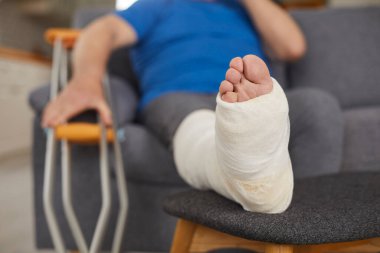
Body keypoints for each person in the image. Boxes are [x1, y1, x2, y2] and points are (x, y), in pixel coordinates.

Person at [42, 0, 344, 212]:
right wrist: (85, 81)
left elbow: (293, 47)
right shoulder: (157, 5)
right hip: (177, 96)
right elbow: (101, 31)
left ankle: (300, 226)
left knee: (318, 106)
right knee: (198, 125)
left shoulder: (245, 9)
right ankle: (249, 171)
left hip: (252, 99)